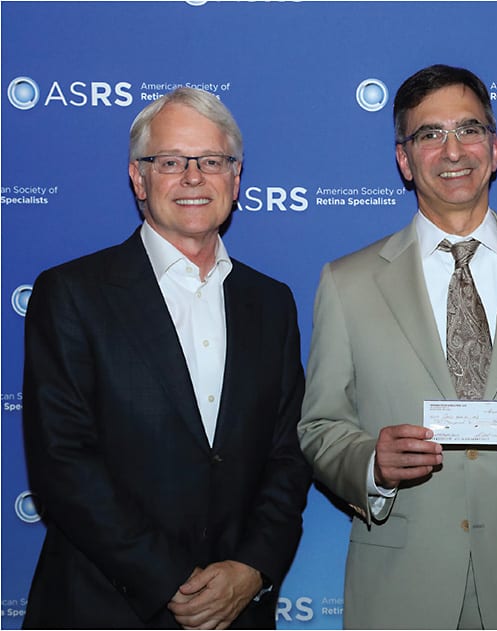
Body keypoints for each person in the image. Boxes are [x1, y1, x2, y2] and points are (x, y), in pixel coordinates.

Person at [298, 64, 497, 629]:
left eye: (469, 129)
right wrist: (370, 464)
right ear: (404, 159)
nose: (453, 150)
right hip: (400, 593)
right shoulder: (346, 283)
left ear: (494, 149)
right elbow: (320, 425)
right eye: (429, 134)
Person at [21, 87, 311, 629]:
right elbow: (63, 463)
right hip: (105, 608)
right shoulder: (72, 294)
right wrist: (170, 580)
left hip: (237, 611)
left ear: (236, 176)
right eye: (171, 161)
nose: (193, 177)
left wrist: (251, 568)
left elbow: (288, 455)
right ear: (138, 178)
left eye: (212, 161)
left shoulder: (271, 303)